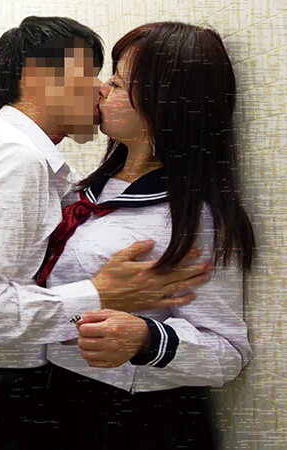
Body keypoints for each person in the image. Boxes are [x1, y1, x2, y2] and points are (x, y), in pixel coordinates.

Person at [0, 17, 212, 449]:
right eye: (92, 73)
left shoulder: (23, 157)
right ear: (38, 78)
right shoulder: (15, 159)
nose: (101, 90)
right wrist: (101, 294)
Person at [39, 22, 256, 449]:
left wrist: (146, 338)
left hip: (134, 420)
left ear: (165, 106)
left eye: (118, 83)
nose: (101, 89)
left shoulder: (192, 218)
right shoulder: (79, 193)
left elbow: (228, 352)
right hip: (56, 400)